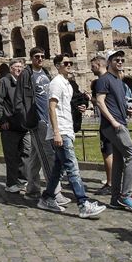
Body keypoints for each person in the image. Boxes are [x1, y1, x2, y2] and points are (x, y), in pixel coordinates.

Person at [37, 55, 106, 219]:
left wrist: (80, 107)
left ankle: (46, 198)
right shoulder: (56, 83)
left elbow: (66, 107)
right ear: (57, 66)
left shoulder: (67, 84)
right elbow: (51, 108)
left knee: (58, 170)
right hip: (61, 131)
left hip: (67, 129)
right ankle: (83, 204)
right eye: (66, 63)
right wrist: (56, 132)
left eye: (70, 63)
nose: (69, 65)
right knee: (73, 168)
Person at [14, 47, 69, 205]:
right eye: (37, 56)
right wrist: (26, 119)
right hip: (37, 121)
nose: (40, 58)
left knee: (35, 158)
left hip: (48, 119)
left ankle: (32, 191)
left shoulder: (45, 72)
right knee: (48, 157)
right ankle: (54, 193)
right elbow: (19, 98)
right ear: (31, 58)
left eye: (42, 56)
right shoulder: (26, 73)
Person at [96, 50, 132, 212]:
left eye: (122, 60)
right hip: (114, 126)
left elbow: (114, 102)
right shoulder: (104, 79)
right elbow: (100, 102)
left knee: (118, 162)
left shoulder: (118, 80)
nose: (120, 62)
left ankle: (115, 198)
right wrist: (113, 121)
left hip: (119, 122)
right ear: (109, 62)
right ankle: (126, 195)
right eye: (116, 59)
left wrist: (127, 110)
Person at [0, 59, 30, 193]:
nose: (19, 69)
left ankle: (22, 181)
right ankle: (11, 183)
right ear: (11, 69)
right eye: (16, 67)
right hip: (9, 125)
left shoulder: (24, 82)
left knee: (27, 152)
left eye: (21, 67)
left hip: (24, 125)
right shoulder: (4, 81)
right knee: (12, 156)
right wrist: (3, 120)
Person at [90, 55, 113, 194]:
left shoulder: (100, 82)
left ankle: (110, 183)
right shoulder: (114, 79)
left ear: (98, 65)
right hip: (117, 121)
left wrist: (91, 99)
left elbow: (100, 102)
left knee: (107, 153)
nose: (91, 69)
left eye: (92, 66)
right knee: (117, 151)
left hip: (107, 123)